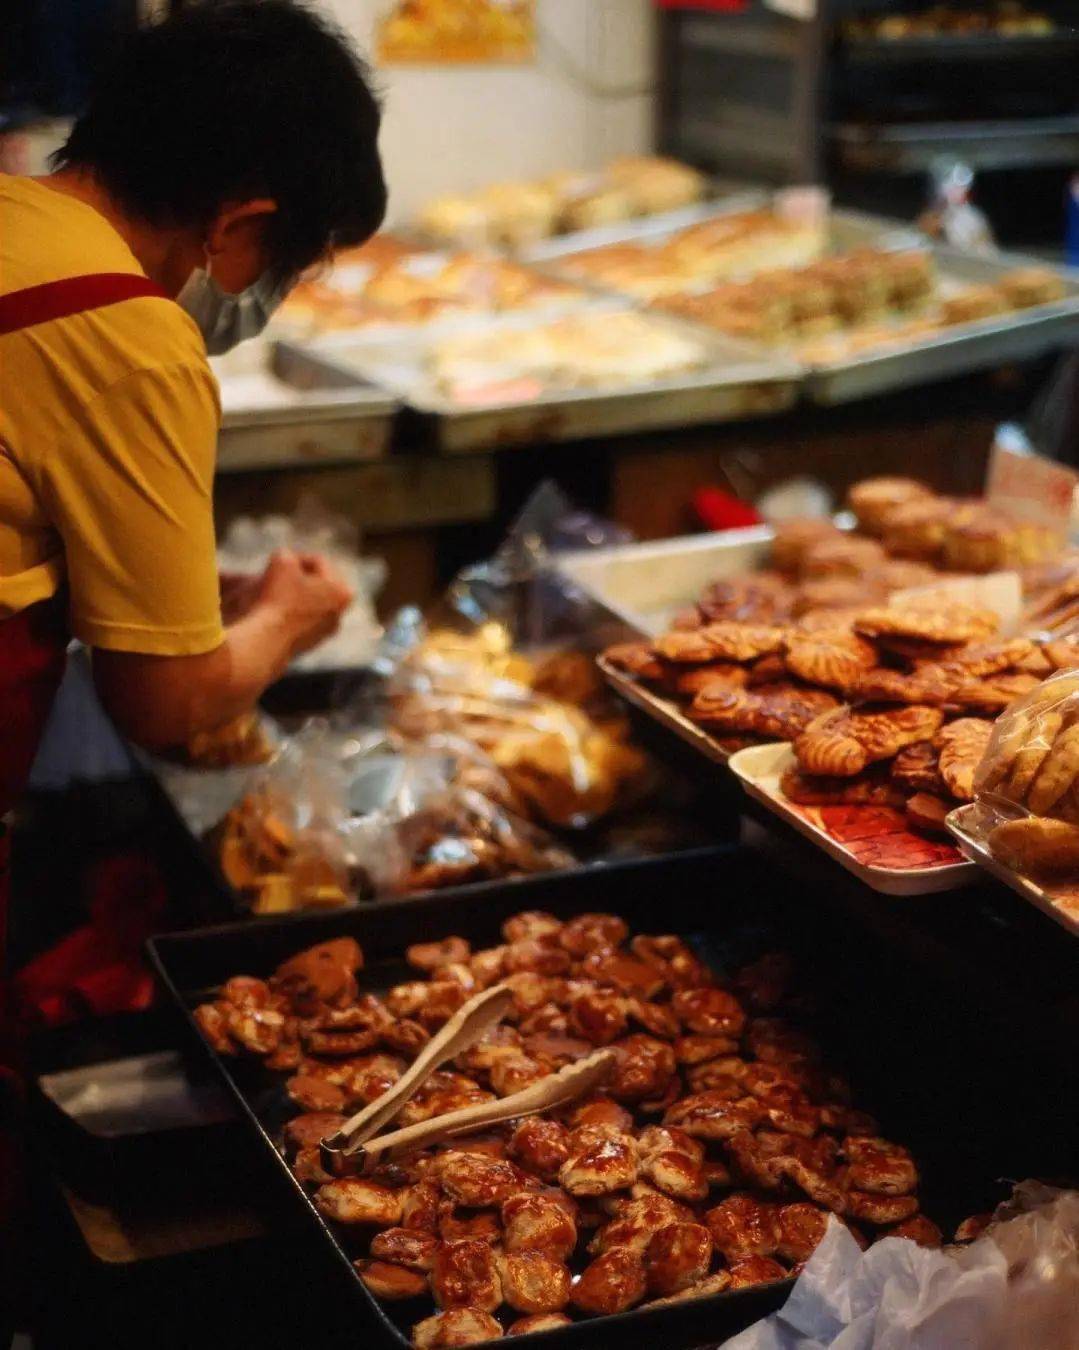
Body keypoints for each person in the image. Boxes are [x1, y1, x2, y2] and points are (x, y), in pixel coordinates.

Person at [0, 0, 385, 1324]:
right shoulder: (127, 326)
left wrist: (173, 591)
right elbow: (162, 700)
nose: (258, 292)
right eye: (284, 258)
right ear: (238, 223)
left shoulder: (13, 219)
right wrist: (283, 620)